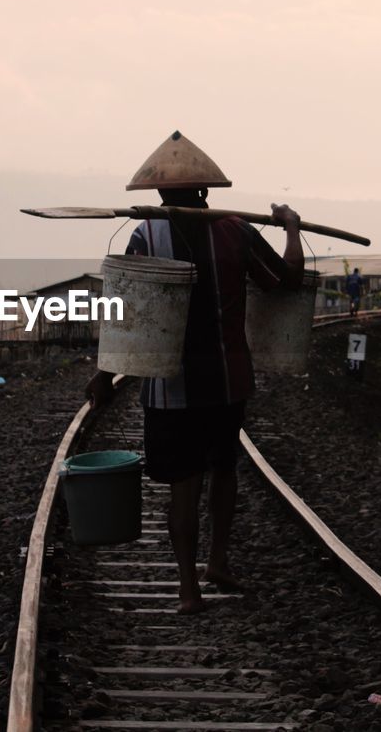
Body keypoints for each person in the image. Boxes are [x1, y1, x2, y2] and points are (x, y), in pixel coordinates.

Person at [85, 131, 303, 615]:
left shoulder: (146, 235)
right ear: (205, 191)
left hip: (169, 389)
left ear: (160, 195)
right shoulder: (237, 231)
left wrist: (103, 375)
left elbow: (124, 314)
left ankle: (188, 589)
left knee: (183, 485)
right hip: (227, 382)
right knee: (223, 472)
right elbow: (287, 282)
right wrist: (290, 227)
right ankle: (218, 561)